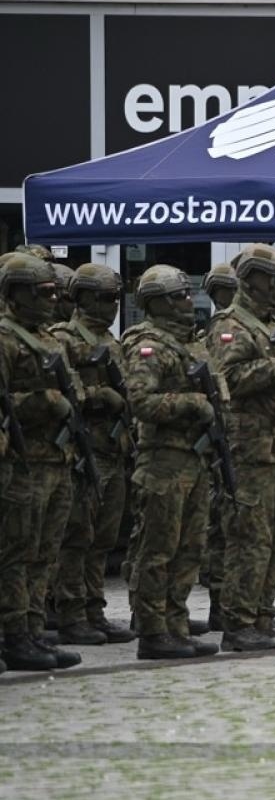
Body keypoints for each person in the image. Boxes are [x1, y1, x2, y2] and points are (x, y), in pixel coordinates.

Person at [208, 244, 275, 653]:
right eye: (274, 281)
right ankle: (238, 621)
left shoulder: (274, 327)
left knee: (274, 542)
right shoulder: (231, 325)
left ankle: (263, 615)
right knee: (248, 540)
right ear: (250, 279)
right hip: (249, 451)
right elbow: (225, 379)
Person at [121, 266, 222, 659]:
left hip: (194, 460)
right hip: (163, 462)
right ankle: (152, 631)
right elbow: (141, 402)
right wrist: (192, 404)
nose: (187, 301)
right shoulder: (149, 345)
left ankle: (175, 625)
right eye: (179, 296)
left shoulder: (190, 343)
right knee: (158, 551)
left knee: (189, 549)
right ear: (158, 302)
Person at [0, 253, 85, 670]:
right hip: (21, 464)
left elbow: (75, 393)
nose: (52, 300)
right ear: (15, 294)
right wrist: (40, 402)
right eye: (43, 292)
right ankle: (14, 635)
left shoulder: (50, 339)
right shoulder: (5, 339)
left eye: (55, 292)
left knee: (44, 553)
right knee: (17, 552)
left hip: (56, 459)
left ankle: (33, 631)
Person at [48, 263, 137, 646]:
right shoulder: (63, 337)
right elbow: (56, 393)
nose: (111, 306)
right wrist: (97, 397)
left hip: (113, 450)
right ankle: (69, 613)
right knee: (76, 537)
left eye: (115, 299)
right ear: (81, 297)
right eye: (103, 298)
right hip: (83, 451)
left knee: (103, 538)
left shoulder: (113, 341)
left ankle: (93, 608)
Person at [198, 263, 238, 633]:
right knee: (220, 527)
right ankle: (218, 602)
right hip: (223, 438)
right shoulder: (219, 331)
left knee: (226, 526)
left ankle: (223, 604)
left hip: (232, 437)